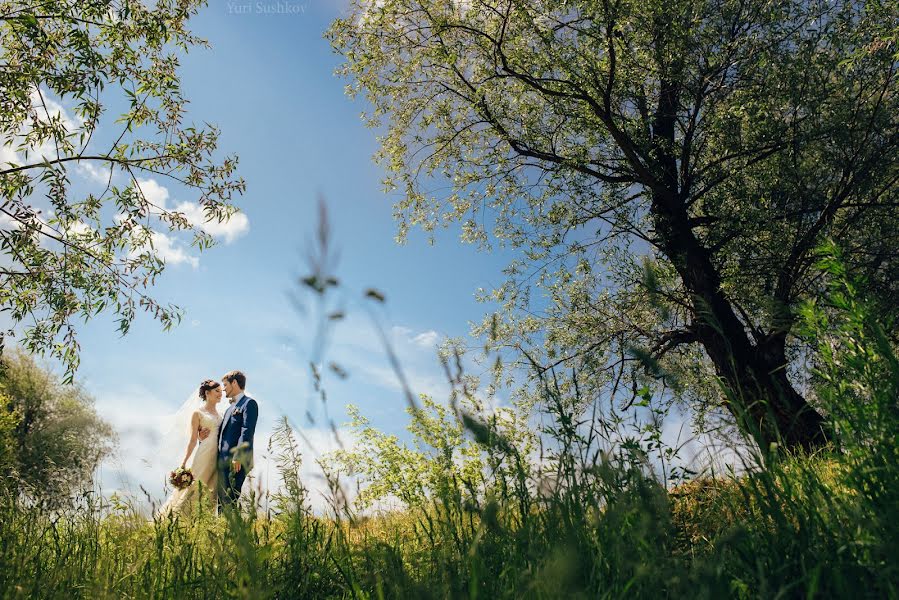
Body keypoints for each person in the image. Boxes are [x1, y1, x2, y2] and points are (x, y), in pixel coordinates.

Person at [157, 379, 222, 517]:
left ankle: (202, 520)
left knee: (211, 490)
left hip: (218, 457)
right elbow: (193, 440)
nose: (220, 394)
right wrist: (184, 462)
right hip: (204, 455)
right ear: (207, 393)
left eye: (221, 391)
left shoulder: (221, 416)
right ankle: (176, 519)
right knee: (195, 486)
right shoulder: (197, 413)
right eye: (217, 391)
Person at [202, 369, 258, 508]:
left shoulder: (249, 404)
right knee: (222, 503)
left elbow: (247, 431)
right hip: (222, 463)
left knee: (229, 502)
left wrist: (238, 456)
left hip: (236, 462)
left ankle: (230, 529)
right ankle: (224, 530)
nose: (223, 389)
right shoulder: (228, 409)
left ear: (234, 383)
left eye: (225, 385)